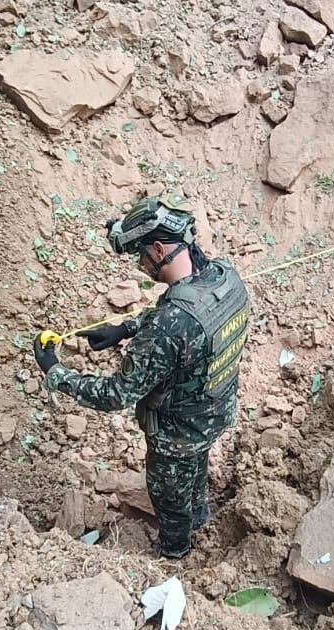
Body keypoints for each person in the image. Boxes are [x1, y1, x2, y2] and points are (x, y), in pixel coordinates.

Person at [33, 198, 251, 558]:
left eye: (141, 255)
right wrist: (127, 327)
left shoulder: (170, 326)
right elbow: (185, 317)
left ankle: (175, 555)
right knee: (195, 475)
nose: (140, 265)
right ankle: (200, 517)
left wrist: (56, 372)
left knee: (170, 501)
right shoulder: (225, 276)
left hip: (175, 436)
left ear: (160, 249)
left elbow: (116, 394)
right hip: (214, 413)